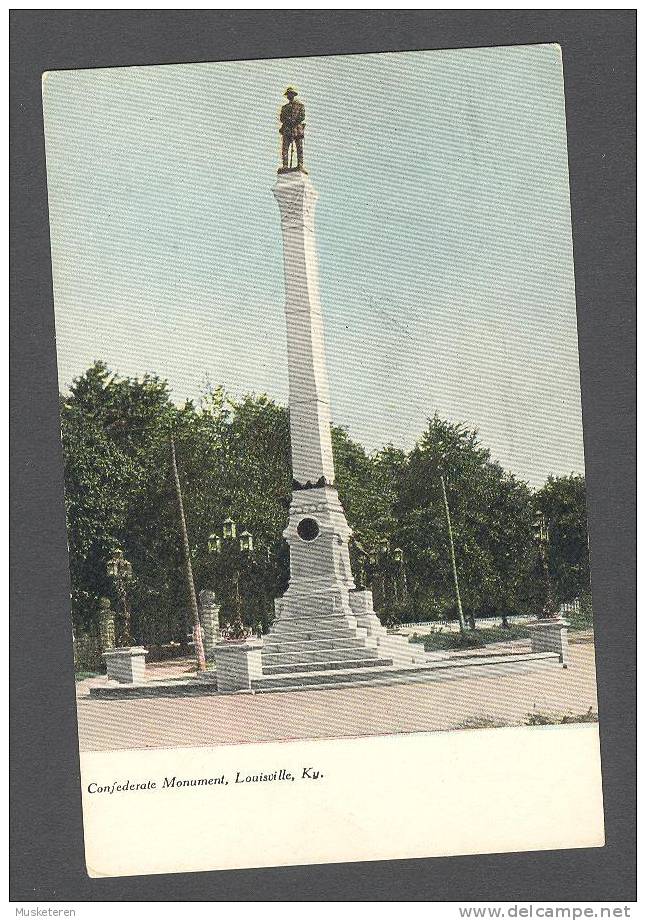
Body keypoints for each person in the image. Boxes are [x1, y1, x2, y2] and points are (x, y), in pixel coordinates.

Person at [279, 87, 306, 171]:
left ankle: (300, 163)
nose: (289, 96)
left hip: (297, 128)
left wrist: (294, 121)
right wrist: (288, 121)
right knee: (285, 147)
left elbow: (302, 116)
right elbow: (281, 118)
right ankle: (285, 165)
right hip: (287, 128)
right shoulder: (284, 107)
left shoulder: (300, 105)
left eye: (290, 94)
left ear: (294, 95)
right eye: (288, 94)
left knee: (299, 147)